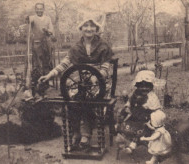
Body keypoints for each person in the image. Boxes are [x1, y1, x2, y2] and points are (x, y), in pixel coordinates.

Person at [38, 16, 114, 148]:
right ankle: (76, 132)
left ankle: (86, 134)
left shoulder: (103, 46)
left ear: (96, 29)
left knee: (88, 96)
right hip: (81, 81)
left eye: (92, 26)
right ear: (81, 28)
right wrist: (49, 75)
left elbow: (106, 67)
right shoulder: (76, 47)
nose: (89, 29)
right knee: (71, 96)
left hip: (100, 81)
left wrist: (95, 78)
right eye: (85, 26)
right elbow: (65, 63)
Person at [115, 70, 162, 153]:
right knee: (124, 124)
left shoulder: (152, 97)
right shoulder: (135, 93)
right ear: (137, 86)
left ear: (151, 86)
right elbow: (130, 101)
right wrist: (128, 106)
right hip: (134, 116)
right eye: (141, 86)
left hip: (146, 119)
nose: (144, 88)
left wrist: (150, 113)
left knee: (142, 130)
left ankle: (133, 144)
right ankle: (123, 141)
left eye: (147, 86)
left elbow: (156, 110)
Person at [25, 2, 55, 98]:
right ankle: (36, 86)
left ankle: (45, 86)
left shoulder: (47, 19)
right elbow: (28, 20)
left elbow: (51, 31)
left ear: (43, 9)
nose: (39, 10)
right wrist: (27, 18)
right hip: (37, 44)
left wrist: (47, 31)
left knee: (47, 64)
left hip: (46, 44)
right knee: (38, 65)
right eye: (37, 8)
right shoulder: (33, 18)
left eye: (40, 8)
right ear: (35, 9)